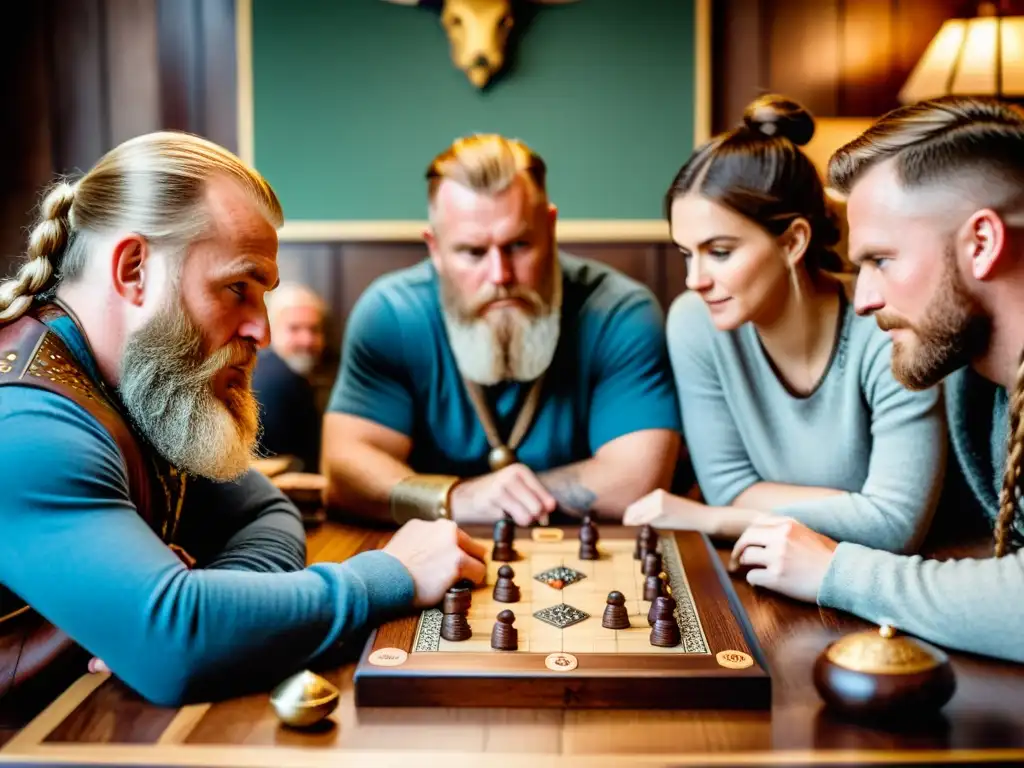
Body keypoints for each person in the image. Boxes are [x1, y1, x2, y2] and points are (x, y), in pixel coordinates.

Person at [0, 131, 486, 713]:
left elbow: (265, 510)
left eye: (263, 295)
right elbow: (175, 644)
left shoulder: (143, 383)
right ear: (133, 270)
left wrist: (224, 605)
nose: (264, 330)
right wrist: (391, 575)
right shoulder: (25, 424)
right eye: (237, 288)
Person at [725, 95, 1024, 664]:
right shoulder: (972, 377)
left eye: (881, 260)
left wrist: (836, 571)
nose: (863, 300)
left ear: (981, 243)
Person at [623, 95, 946, 555]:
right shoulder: (695, 323)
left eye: (719, 252)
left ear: (793, 241)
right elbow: (729, 486)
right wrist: (853, 508)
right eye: (685, 253)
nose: (695, 280)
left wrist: (716, 520)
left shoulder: (886, 323)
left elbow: (895, 525)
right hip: (777, 573)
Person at [323, 134, 682, 527]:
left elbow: (636, 481)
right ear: (435, 249)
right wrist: (459, 498)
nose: (500, 276)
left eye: (519, 245)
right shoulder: (391, 314)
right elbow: (345, 470)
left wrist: (488, 499)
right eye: (473, 252)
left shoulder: (618, 312)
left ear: (550, 228)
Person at [252, 282, 327, 471]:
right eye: (294, 329)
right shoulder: (280, 379)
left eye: (314, 330)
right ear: (269, 331)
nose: (307, 340)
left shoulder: (268, 369)